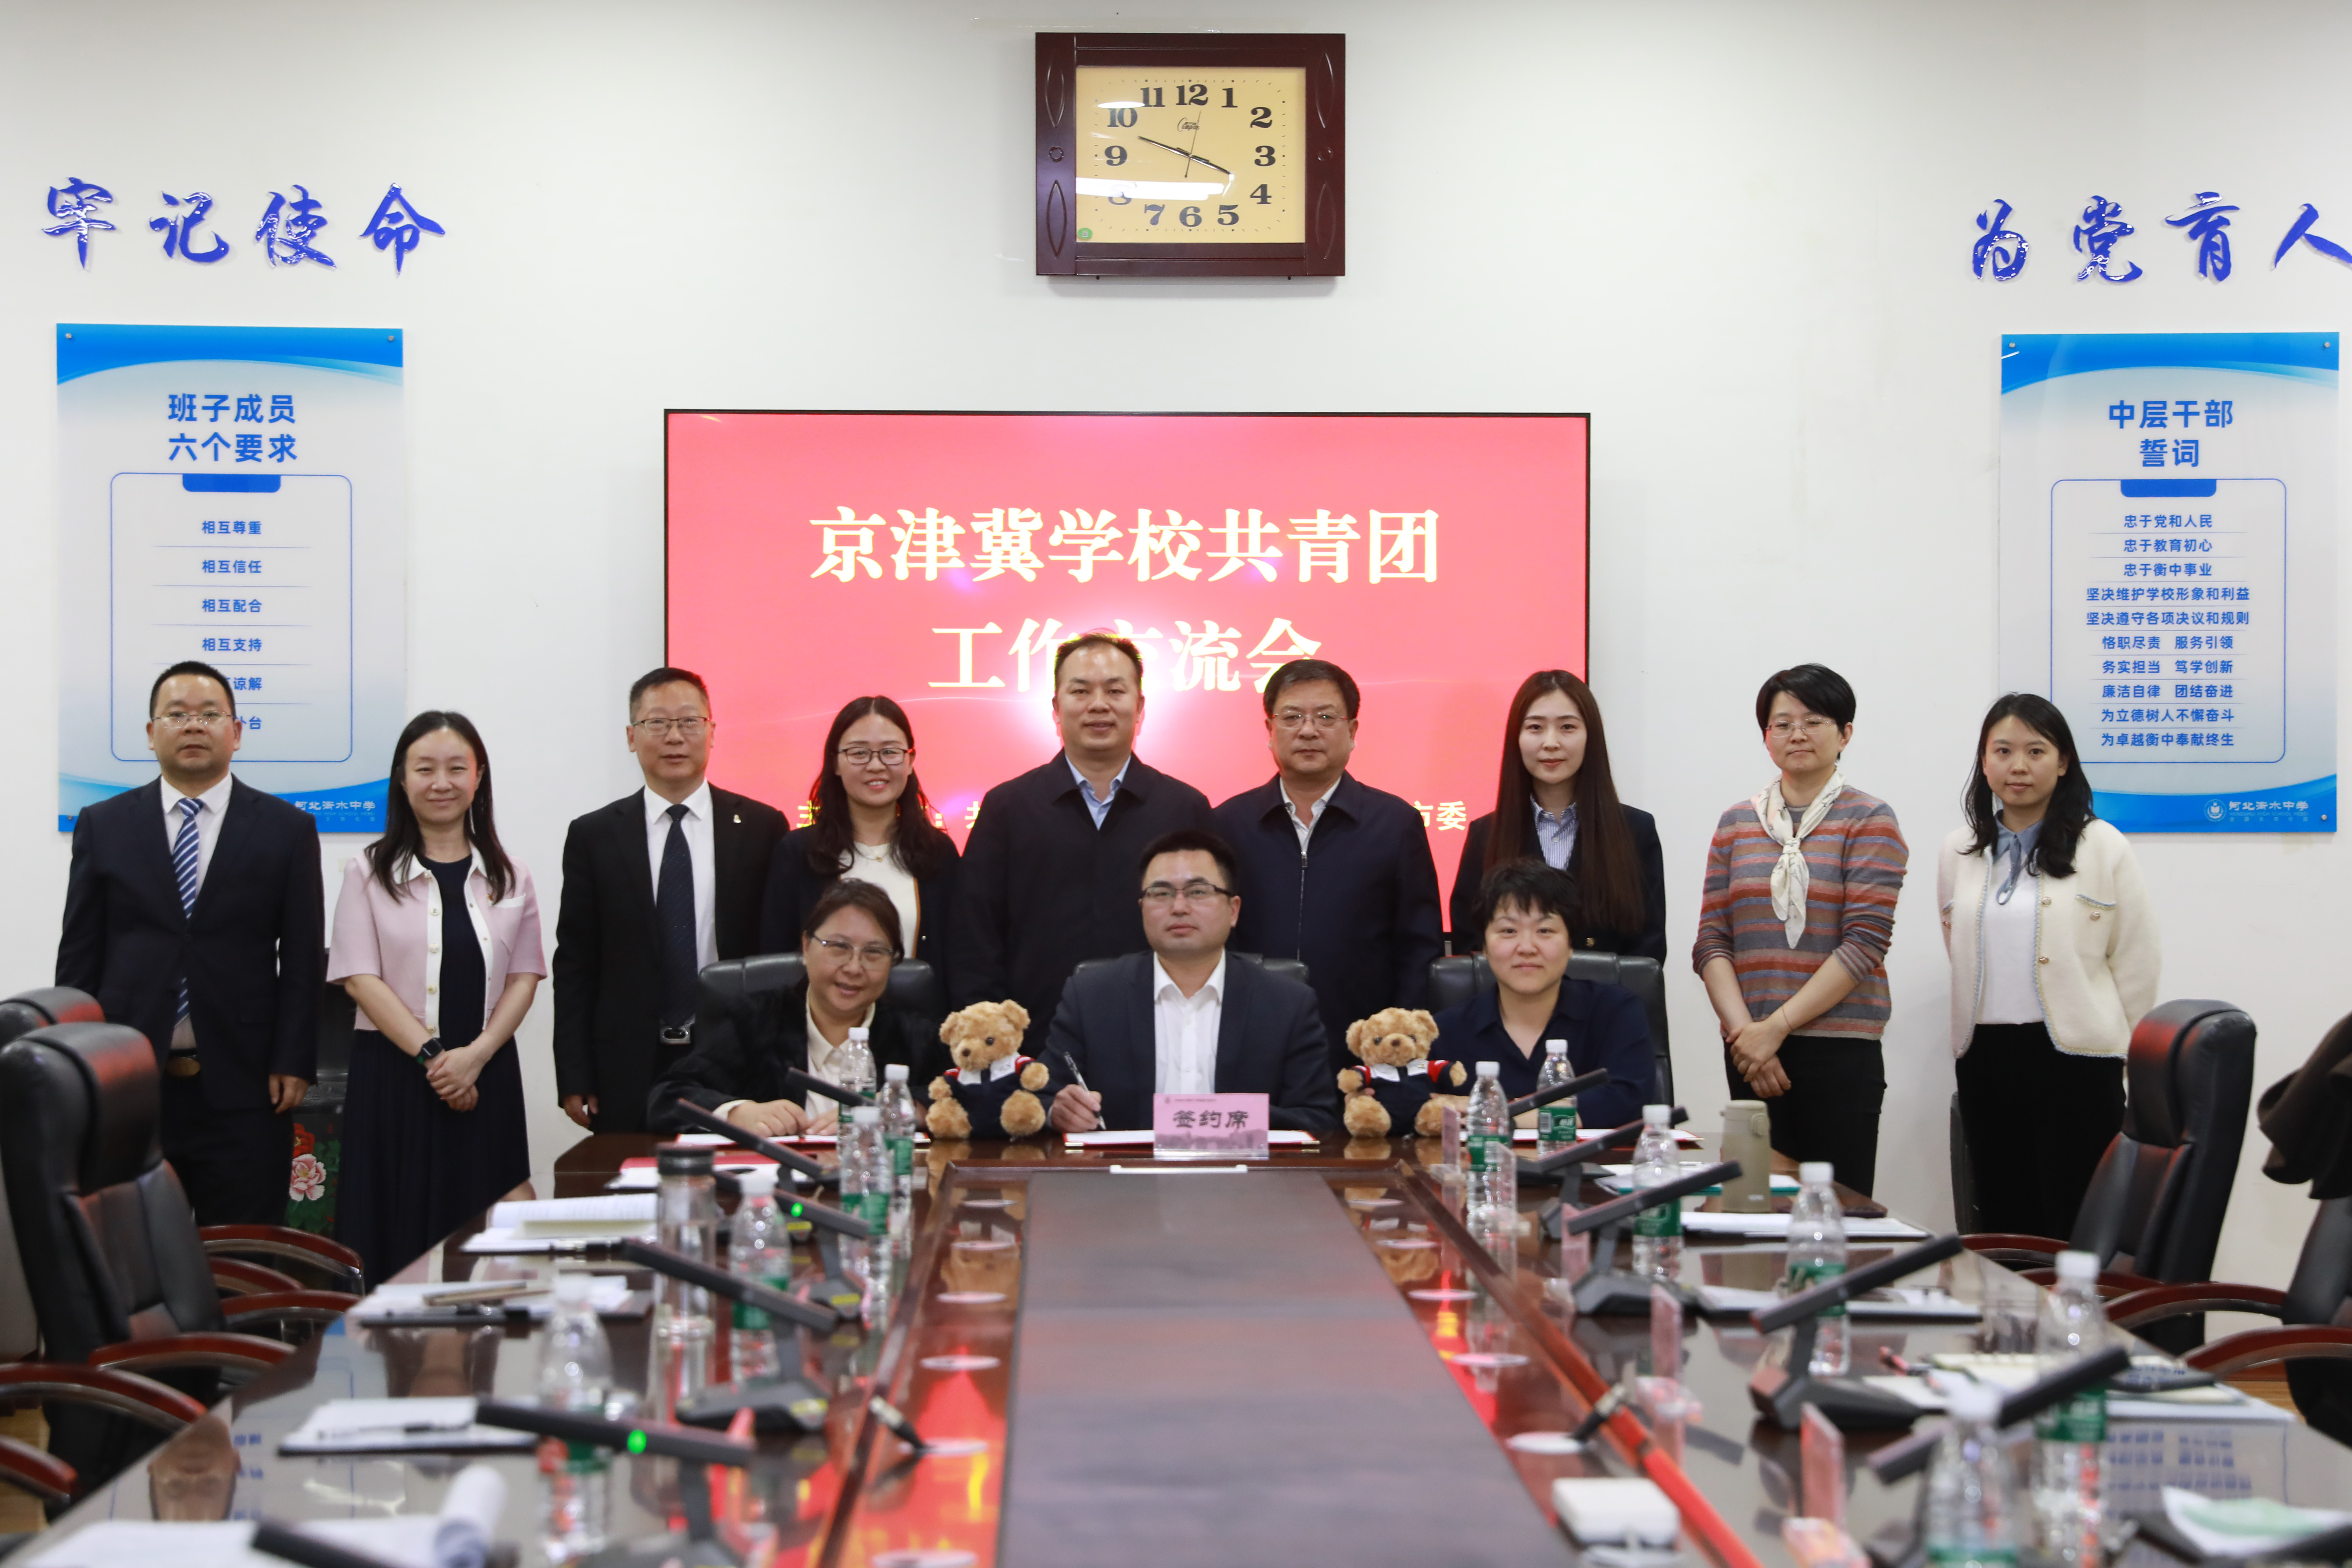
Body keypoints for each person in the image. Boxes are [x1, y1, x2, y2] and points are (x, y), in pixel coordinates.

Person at [56, 660, 321, 1225]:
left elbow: (301, 959)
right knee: (131, 1250)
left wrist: (294, 1059)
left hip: (248, 1085)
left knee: (244, 1251)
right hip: (129, 1083)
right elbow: (79, 956)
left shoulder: (287, 829)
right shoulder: (103, 824)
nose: (194, 725)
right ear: (151, 733)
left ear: (237, 732)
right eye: (177, 715)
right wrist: (79, 1064)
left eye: (210, 714)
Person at [329, 711, 545, 1286]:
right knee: (395, 1231)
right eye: (425, 769)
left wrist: (475, 1057)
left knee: (493, 1236)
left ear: (479, 777)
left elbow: (525, 976)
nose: (441, 783)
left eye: (456, 768)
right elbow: (360, 979)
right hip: (395, 1077)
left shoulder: (511, 874)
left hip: (487, 1075)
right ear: (402, 779)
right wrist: (436, 1059)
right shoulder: (368, 870)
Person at [1941, 694, 2158, 1239]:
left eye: (2035, 751)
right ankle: (2012, 1302)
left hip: (2078, 1060)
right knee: (2004, 1218)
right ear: (1983, 761)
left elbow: (2135, 959)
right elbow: (1958, 945)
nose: (2018, 766)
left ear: (2063, 762)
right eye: (2003, 751)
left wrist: (2125, 1053)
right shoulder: (1958, 850)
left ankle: (2081, 1302)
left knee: (2078, 1219)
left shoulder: (2101, 845)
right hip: (1986, 1056)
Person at [1693, 663, 1907, 1196]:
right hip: (1749, 1051)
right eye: (1782, 723)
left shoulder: (1869, 819)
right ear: (1766, 736)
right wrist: (1747, 1035)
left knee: (1837, 1209)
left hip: (1838, 1052)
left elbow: (1864, 944)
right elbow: (1712, 941)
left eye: (1813, 721)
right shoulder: (1736, 823)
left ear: (1845, 734)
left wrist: (1776, 1028)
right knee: (1751, 1207)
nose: (1797, 734)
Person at [552, 667, 788, 1133]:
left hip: (735, 1051)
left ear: (712, 731)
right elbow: (576, 963)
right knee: (626, 1175)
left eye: (689, 722)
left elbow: (778, 957)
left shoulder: (763, 827)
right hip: (626, 1060)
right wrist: (575, 1072)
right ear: (632, 736)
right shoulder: (594, 835)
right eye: (657, 723)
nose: (675, 737)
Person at [953, 632, 1214, 1026]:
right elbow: (974, 937)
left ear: (1140, 707)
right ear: (1056, 708)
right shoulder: (1007, 807)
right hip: (1033, 1040)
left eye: (1115, 691)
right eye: (1080, 691)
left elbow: (1210, 931)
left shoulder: (1183, 808)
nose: (1098, 705)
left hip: (1162, 1032)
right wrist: (993, 1040)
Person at [1213, 658, 1443, 1072]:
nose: (1308, 730)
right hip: (1250, 1041)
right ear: (1269, 730)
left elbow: (1418, 947)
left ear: (1352, 731)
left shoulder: (1395, 824)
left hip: (1363, 1049)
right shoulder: (1228, 824)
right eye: (1291, 717)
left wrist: (1397, 1042)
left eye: (1325, 717)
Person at [1044, 829, 1340, 1137]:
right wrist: (1057, 1111)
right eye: (1161, 893)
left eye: (1198, 892)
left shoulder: (1288, 1003)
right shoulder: (1090, 996)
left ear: (1233, 910)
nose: (1179, 907)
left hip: (1245, 1168)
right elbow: (1043, 1098)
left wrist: (1225, 1121)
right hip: (1124, 1167)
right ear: (1142, 908)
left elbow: (1316, 1118)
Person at [653, 880, 937, 1135]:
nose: (854, 968)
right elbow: (668, 1096)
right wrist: (738, 1113)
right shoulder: (755, 1019)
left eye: (873, 952)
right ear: (806, 947)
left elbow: (958, 1097)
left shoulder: (915, 1035)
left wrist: (903, 1108)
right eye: (839, 947)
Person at [1450, 671, 1666, 960]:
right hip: (1508, 991)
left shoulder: (1636, 830)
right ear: (1517, 737)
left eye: (1567, 727)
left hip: (1605, 990)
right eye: (1535, 727)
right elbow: (1470, 947)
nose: (1550, 742)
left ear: (1590, 736)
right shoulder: (1485, 835)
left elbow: (1648, 951)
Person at [1431, 862, 1653, 1132]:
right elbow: (1420, 1107)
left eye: (1545, 931)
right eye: (1508, 931)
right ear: (1484, 947)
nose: (1527, 948)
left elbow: (1628, 1101)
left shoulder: (1615, 1011)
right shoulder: (1444, 1032)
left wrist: (1496, 1115)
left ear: (1571, 944)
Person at [760, 696, 959, 972]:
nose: (876, 765)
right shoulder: (799, 852)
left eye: (890, 752)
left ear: (910, 760)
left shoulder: (939, 852)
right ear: (835, 763)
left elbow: (960, 954)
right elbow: (776, 960)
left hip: (922, 1003)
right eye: (859, 753)